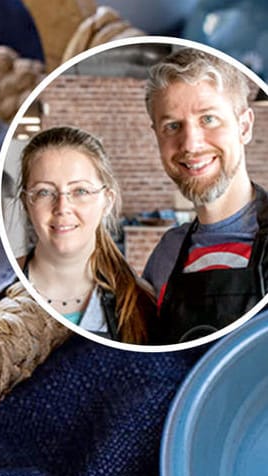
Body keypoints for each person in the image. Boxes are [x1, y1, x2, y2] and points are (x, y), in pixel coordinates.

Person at [141, 47, 266, 343]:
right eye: (172, 126)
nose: (191, 144)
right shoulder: (166, 254)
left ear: (244, 126)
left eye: (208, 119)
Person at [17, 126, 157, 344]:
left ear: (107, 201)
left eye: (80, 191)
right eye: (45, 192)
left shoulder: (143, 304)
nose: (62, 207)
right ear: (26, 202)